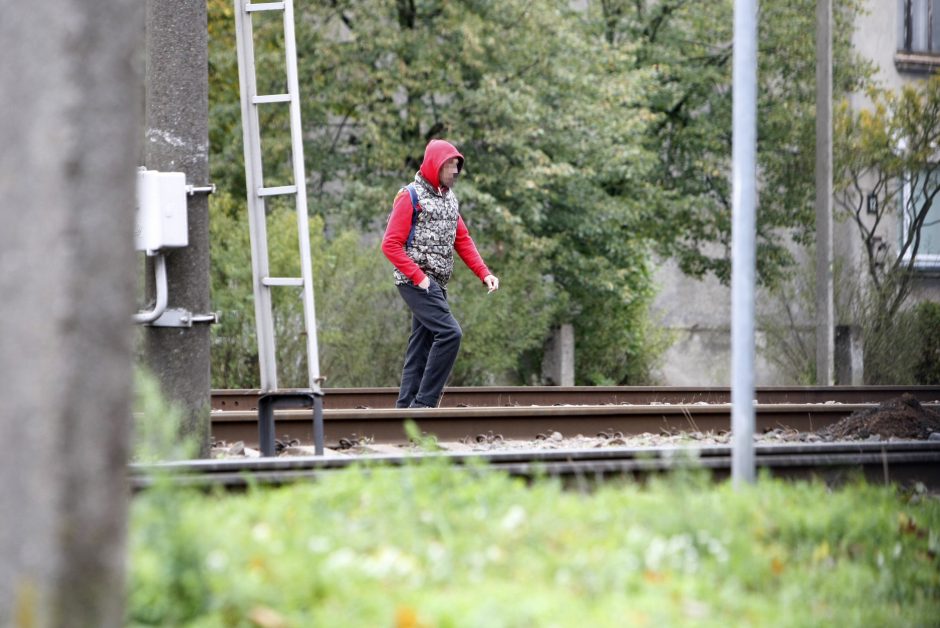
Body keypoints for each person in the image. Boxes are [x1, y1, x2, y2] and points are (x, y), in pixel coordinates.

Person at [381, 139, 499, 408]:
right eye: (451, 166)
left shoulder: (449, 200)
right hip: (416, 282)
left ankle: (405, 408)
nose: (456, 171)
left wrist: (484, 273)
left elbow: (463, 239)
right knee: (450, 334)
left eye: (458, 166)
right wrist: (420, 278)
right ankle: (424, 404)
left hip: (435, 283)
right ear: (436, 165)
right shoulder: (410, 196)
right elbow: (390, 244)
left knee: (420, 346)